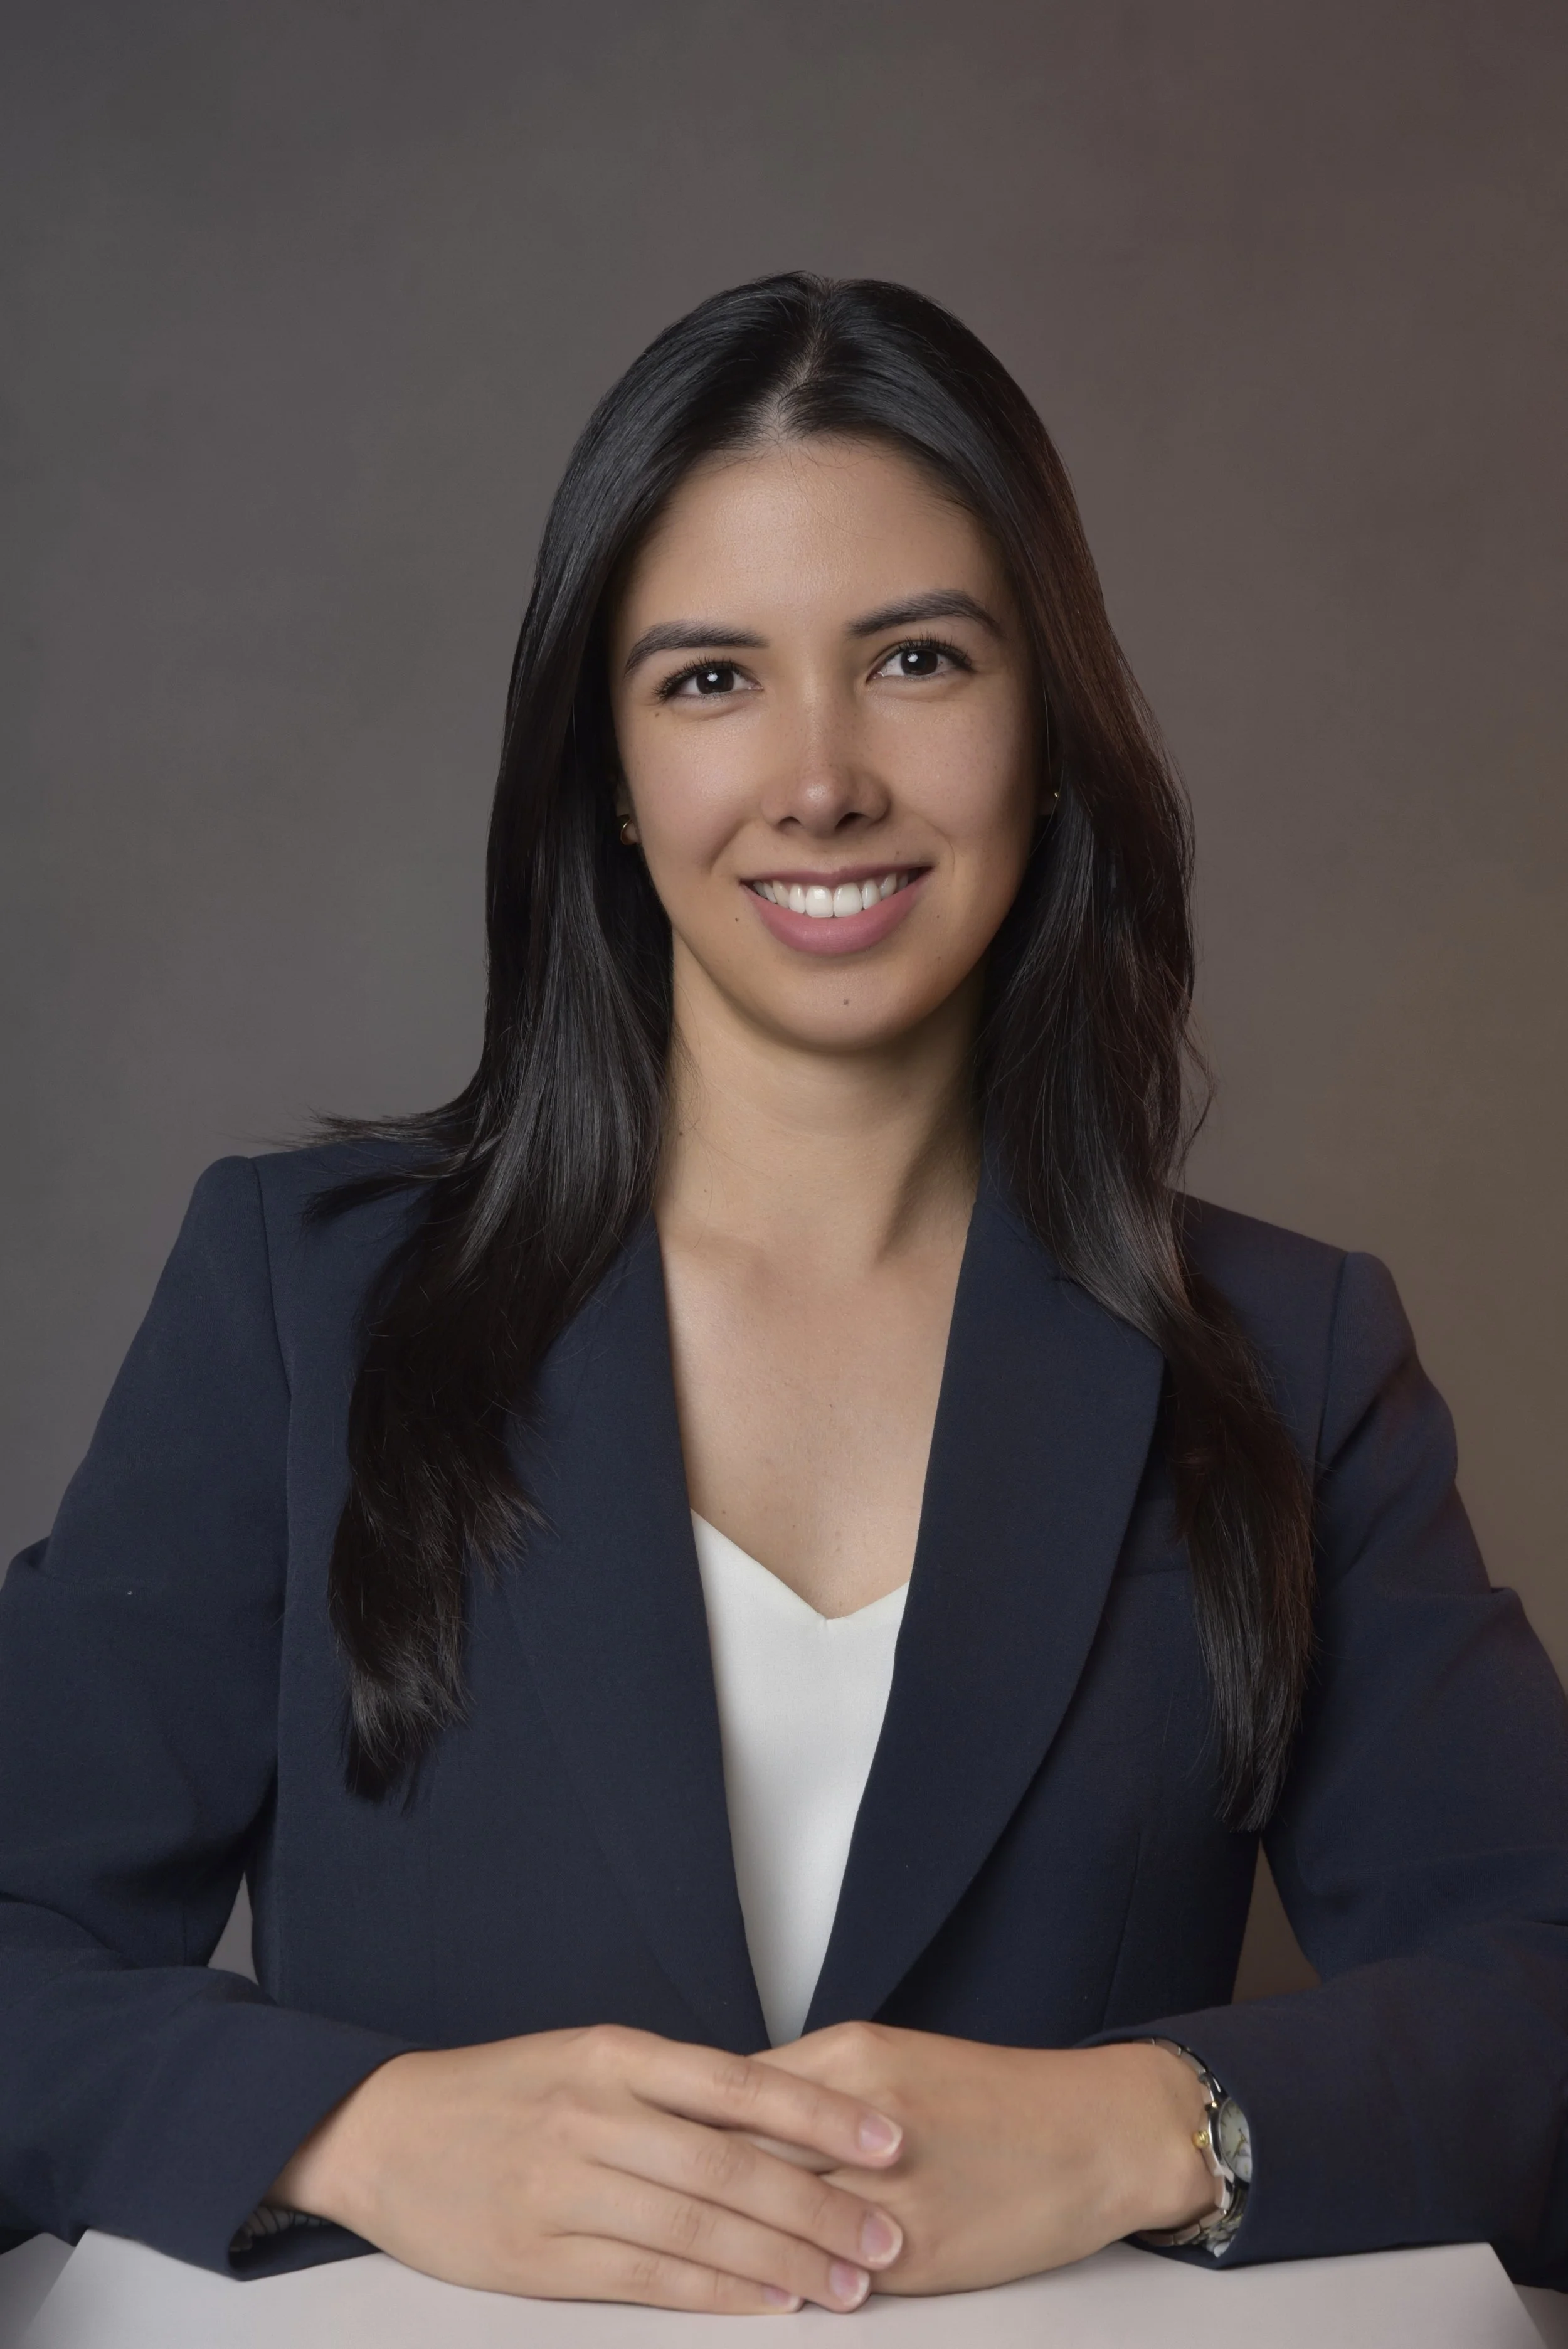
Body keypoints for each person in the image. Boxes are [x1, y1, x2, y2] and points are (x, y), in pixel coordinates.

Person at [2, 273, 1565, 2318]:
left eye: (915, 658)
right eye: (710, 679)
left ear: (1048, 717)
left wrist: (1145, 2125)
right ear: (606, 766)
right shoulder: (306, 1308)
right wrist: (358, 2127)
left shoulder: (1289, 1354)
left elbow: (1538, 1986)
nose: (818, 778)